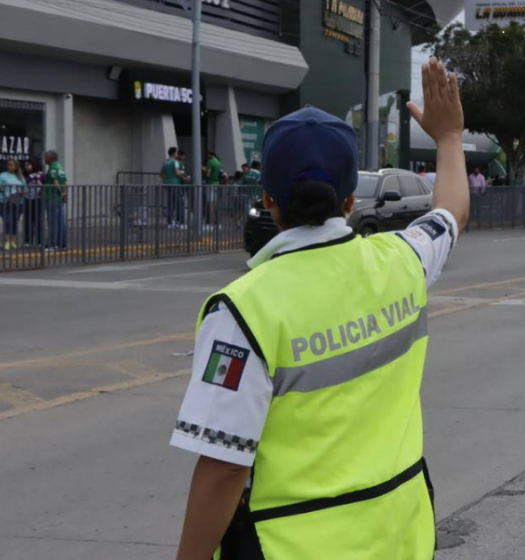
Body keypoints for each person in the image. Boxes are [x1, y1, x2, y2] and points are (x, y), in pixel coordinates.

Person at [170, 57, 469, 560]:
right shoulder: (403, 259)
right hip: (399, 535)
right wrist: (450, 138)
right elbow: (451, 212)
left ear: (267, 198)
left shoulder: (243, 311)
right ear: (351, 200)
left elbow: (224, 466)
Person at [43, 151, 67, 251]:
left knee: (52, 221)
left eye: (46, 157)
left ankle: (52, 244)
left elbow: (56, 183)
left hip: (52, 197)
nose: (44, 159)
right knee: (61, 221)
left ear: (50, 158)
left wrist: (60, 192)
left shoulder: (52, 168)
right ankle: (62, 244)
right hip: (59, 199)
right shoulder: (60, 167)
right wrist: (64, 194)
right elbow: (65, 182)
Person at [162, 147, 190, 229]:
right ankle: (180, 223)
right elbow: (177, 172)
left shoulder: (165, 162)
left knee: (171, 204)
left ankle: (169, 222)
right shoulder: (175, 162)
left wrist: (169, 177)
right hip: (175, 184)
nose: (177, 154)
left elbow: (161, 174)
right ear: (174, 153)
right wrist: (184, 178)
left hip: (167, 184)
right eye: (176, 152)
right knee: (179, 203)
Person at [0, 158, 25, 250]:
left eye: (11, 164)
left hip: (17, 202)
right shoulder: (2, 175)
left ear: (16, 166)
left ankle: (13, 242)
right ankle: (6, 241)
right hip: (4, 201)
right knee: (7, 220)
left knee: (15, 221)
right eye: (8, 164)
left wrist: (21, 192)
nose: (9, 166)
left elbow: (25, 189)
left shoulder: (20, 177)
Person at [22, 160, 43, 247]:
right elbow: (24, 183)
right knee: (27, 221)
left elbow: (41, 183)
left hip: (37, 199)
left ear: (34, 165)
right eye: (25, 165)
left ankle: (39, 242)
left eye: (28, 165)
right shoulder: (25, 175)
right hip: (27, 199)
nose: (27, 167)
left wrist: (37, 177)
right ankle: (27, 241)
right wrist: (31, 176)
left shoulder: (41, 174)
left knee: (38, 221)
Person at [204, 150, 222, 229]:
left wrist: (204, 170)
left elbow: (208, 174)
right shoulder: (218, 162)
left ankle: (210, 223)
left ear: (210, 154)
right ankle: (216, 222)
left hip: (210, 184)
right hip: (217, 183)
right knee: (215, 204)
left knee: (210, 204)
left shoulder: (210, 162)